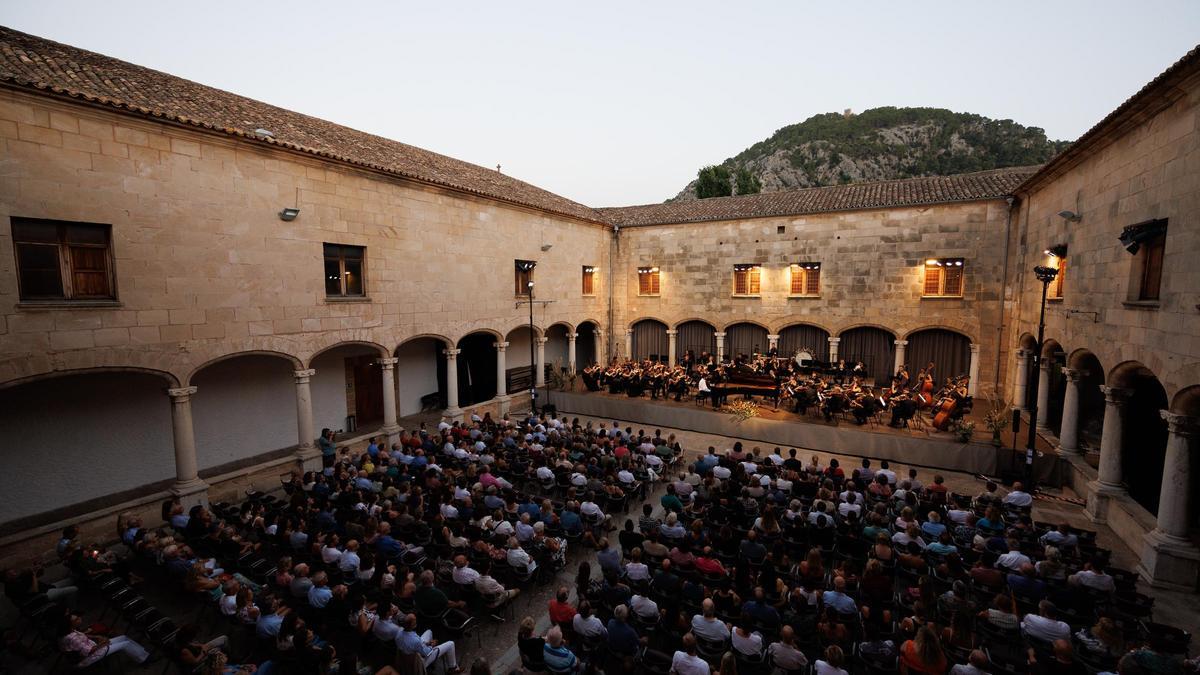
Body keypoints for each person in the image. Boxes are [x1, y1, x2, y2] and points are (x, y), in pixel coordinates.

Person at [57, 612, 151, 667]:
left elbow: (82, 636)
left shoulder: (70, 631)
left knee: (123, 637)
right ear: (71, 624)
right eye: (77, 619)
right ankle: (145, 660)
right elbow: (88, 652)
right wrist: (103, 643)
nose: (80, 619)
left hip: (94, 647)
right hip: (91, 656)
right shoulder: (73, 638)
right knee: (125, 644)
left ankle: (143, 653)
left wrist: (96, 637)